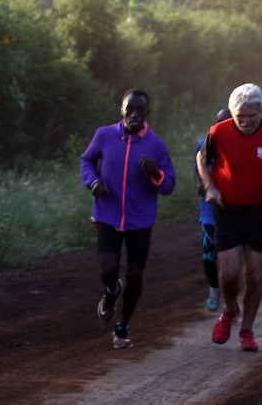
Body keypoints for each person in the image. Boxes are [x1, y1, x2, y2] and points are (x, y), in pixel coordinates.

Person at [81, 88, 176, 349]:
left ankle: (123, 325)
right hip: (108, 214)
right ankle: (111, 291)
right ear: (122, 110)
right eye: (130, 108)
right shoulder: (104, 135)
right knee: (108, 269)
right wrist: (93, 183)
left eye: (140, 110)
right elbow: (87, 161)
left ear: (147, 113)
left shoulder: (156, 145)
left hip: (140, 220)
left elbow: (169, 185)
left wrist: (155, 171)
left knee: (135, 274)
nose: (134, 113)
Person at [197, 83, 262, 352]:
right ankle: (228, 311)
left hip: (258, 211)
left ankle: (247, 331)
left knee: (255, 274)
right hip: (226, 211)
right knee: (230, 274)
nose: (246, 121)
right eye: (240, 117)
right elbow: (202, 159)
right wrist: (210, 188)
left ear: (261, 111)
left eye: (252, 116)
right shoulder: (219, 132)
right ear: (232, 114)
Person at [195, 108, 234, 311]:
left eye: (226, 122)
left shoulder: (239, 146)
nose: (221, 126)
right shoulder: (204, 144)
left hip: (233, 213)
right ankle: (214, 289)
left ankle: (232, 300)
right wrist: (199, 185)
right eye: (219, 122)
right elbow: (197, 170)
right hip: (209, 213)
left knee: (230, 261)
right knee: (209, 256)